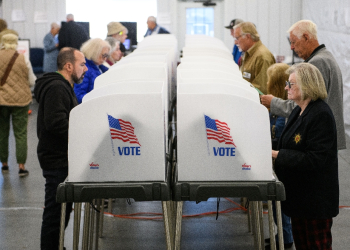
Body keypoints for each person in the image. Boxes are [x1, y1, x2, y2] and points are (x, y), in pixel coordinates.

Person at [272, 63, 339, 250]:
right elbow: (287, 141)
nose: (286, 87)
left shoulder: (320, 114)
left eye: (291, 84)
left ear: (307, 85)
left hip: (315, 202)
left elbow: (314, 159)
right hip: (300, 199)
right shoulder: (298, 110)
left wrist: (277, 155)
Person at [260, 20, 346, 150]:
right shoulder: (326, 57)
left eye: (293, 42)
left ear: (306, 37)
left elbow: (302, 105)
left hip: (317, 137)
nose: (291, 47)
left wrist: (273, 103)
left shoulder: (317, 63)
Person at [34, 47, 88, 250]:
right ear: (68, 66)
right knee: (55, 213)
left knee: (62, 211)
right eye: (82, 64)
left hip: (61, 157)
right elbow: (56, 123)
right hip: (56, 158)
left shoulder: (63, 85)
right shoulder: (57, 88)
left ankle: (57, 245)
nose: (85, 69)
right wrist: (82, 136)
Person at [264, 63, 294, 250]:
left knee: (280, 204)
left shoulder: (282, 115)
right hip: (278, 160)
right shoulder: (279, 111)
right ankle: (281, 234)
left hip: (279, 161)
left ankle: (285, 236)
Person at [0, 33, 36, 176]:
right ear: (16, 43)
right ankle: (21, 167)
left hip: (1, 101)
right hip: (21, 101)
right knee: (20, 134)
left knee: (2, 133)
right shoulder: (23, 58)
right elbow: (32, 81)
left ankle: (4, 164)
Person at [233, 22, 275, 95]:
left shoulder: (262, 56)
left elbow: (262, 90)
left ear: (248, 36)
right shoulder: (247, 54)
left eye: (237, 38)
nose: (235, 42)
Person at [73, 38, 110, 103]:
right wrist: (98, 98)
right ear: (95, 52)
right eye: (104, 55)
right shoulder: (85, 70)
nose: (105, 59)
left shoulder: (99, 67)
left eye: (107, 56)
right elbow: (78, 96)